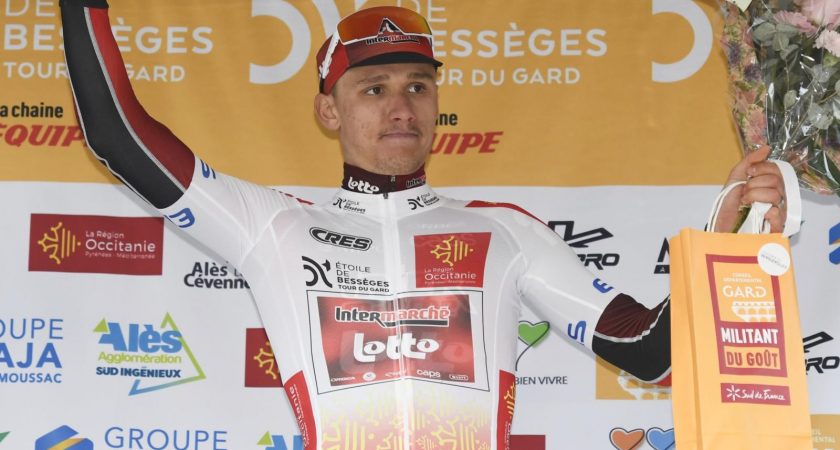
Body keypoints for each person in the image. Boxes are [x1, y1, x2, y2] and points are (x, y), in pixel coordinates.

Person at [60, 1, 788, 448]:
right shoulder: (272, 226)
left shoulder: (506, 234)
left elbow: (653, 354)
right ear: (328, 110)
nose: (400, 107)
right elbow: (117, 135)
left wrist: (737, 237)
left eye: (417, 86)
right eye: (372, 89)